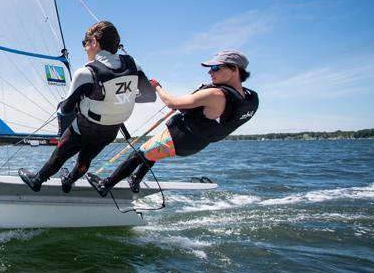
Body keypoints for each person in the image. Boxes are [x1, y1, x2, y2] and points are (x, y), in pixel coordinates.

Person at [86, 50, 259, 196]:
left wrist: (157, 87)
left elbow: (172, 103)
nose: (210, 72)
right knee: (150, 151)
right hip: (196, 144)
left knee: (138, 155)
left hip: (178, 138)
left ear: (234, 69)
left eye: (215, 68)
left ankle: (105, 185)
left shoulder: (215, 94)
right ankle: (136, 179)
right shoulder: (249, 98)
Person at [18, 21, 155, 193]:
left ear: (95, 42)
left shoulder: (86, 72)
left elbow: (66, 109)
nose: (84, 48)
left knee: (61, 154)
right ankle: (68, 181)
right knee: (86, 159)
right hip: (111, 130)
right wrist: (118, 99)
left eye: (85, 43)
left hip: (86, 127)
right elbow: (150, 96)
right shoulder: (133, 64)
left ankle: (37, 180)